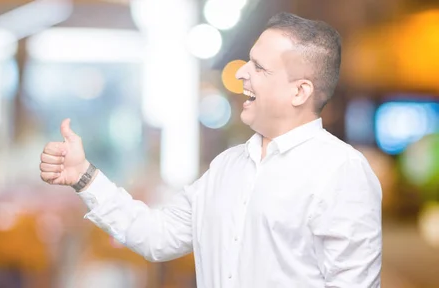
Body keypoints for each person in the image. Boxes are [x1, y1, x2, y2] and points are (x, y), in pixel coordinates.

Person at [39, 12, 382, 287]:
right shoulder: (227, 166)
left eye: (259, 67)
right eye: (249, 61)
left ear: (300, 91)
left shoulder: (341, 170)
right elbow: (156, 236)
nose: (243, 74)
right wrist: (85, 177)